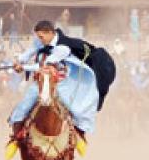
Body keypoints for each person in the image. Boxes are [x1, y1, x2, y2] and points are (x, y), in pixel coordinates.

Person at [8, 20, 114, 151]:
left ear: (50, 33)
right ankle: (15, 139)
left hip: (65, 80)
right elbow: (30, 51)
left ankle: (79, 136)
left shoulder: (63, 47)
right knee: (23, 105)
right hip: (44, 79)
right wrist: (19, 61)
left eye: (41, 37)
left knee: (76, 109)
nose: (39, 40)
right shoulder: (40, 41)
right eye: (38, 37)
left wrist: (23, 67)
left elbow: (46, 65)